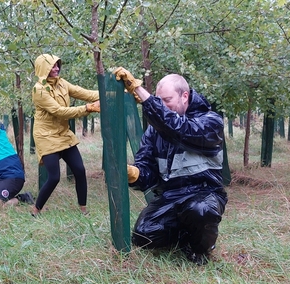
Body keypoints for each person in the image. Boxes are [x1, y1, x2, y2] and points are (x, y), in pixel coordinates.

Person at [113, 67, 228, 265]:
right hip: (171, 197)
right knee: (144, 235)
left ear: (185, 96)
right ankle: (186, 235)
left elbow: (179, 129)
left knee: (200, 210)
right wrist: (134, 173)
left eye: (167, 101)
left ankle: (201, 248)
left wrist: (141, 92)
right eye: (160, 101)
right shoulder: (154, 132)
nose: (163, 106)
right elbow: (148, 168)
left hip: (204, 192)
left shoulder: (210, 122)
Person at [31, 54, 100, 216]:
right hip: (46, 136)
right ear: (43, 69)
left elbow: (86, 94)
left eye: (57, 65)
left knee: (79, 170)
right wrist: (88, 108)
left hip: (63, 134)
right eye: (52, 66)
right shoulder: (38, 90)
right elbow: (59, 112)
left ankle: (83, 210)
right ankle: (36, 210)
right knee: (54, 177)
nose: (56, 69)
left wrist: (113, 91)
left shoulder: (62, 83)